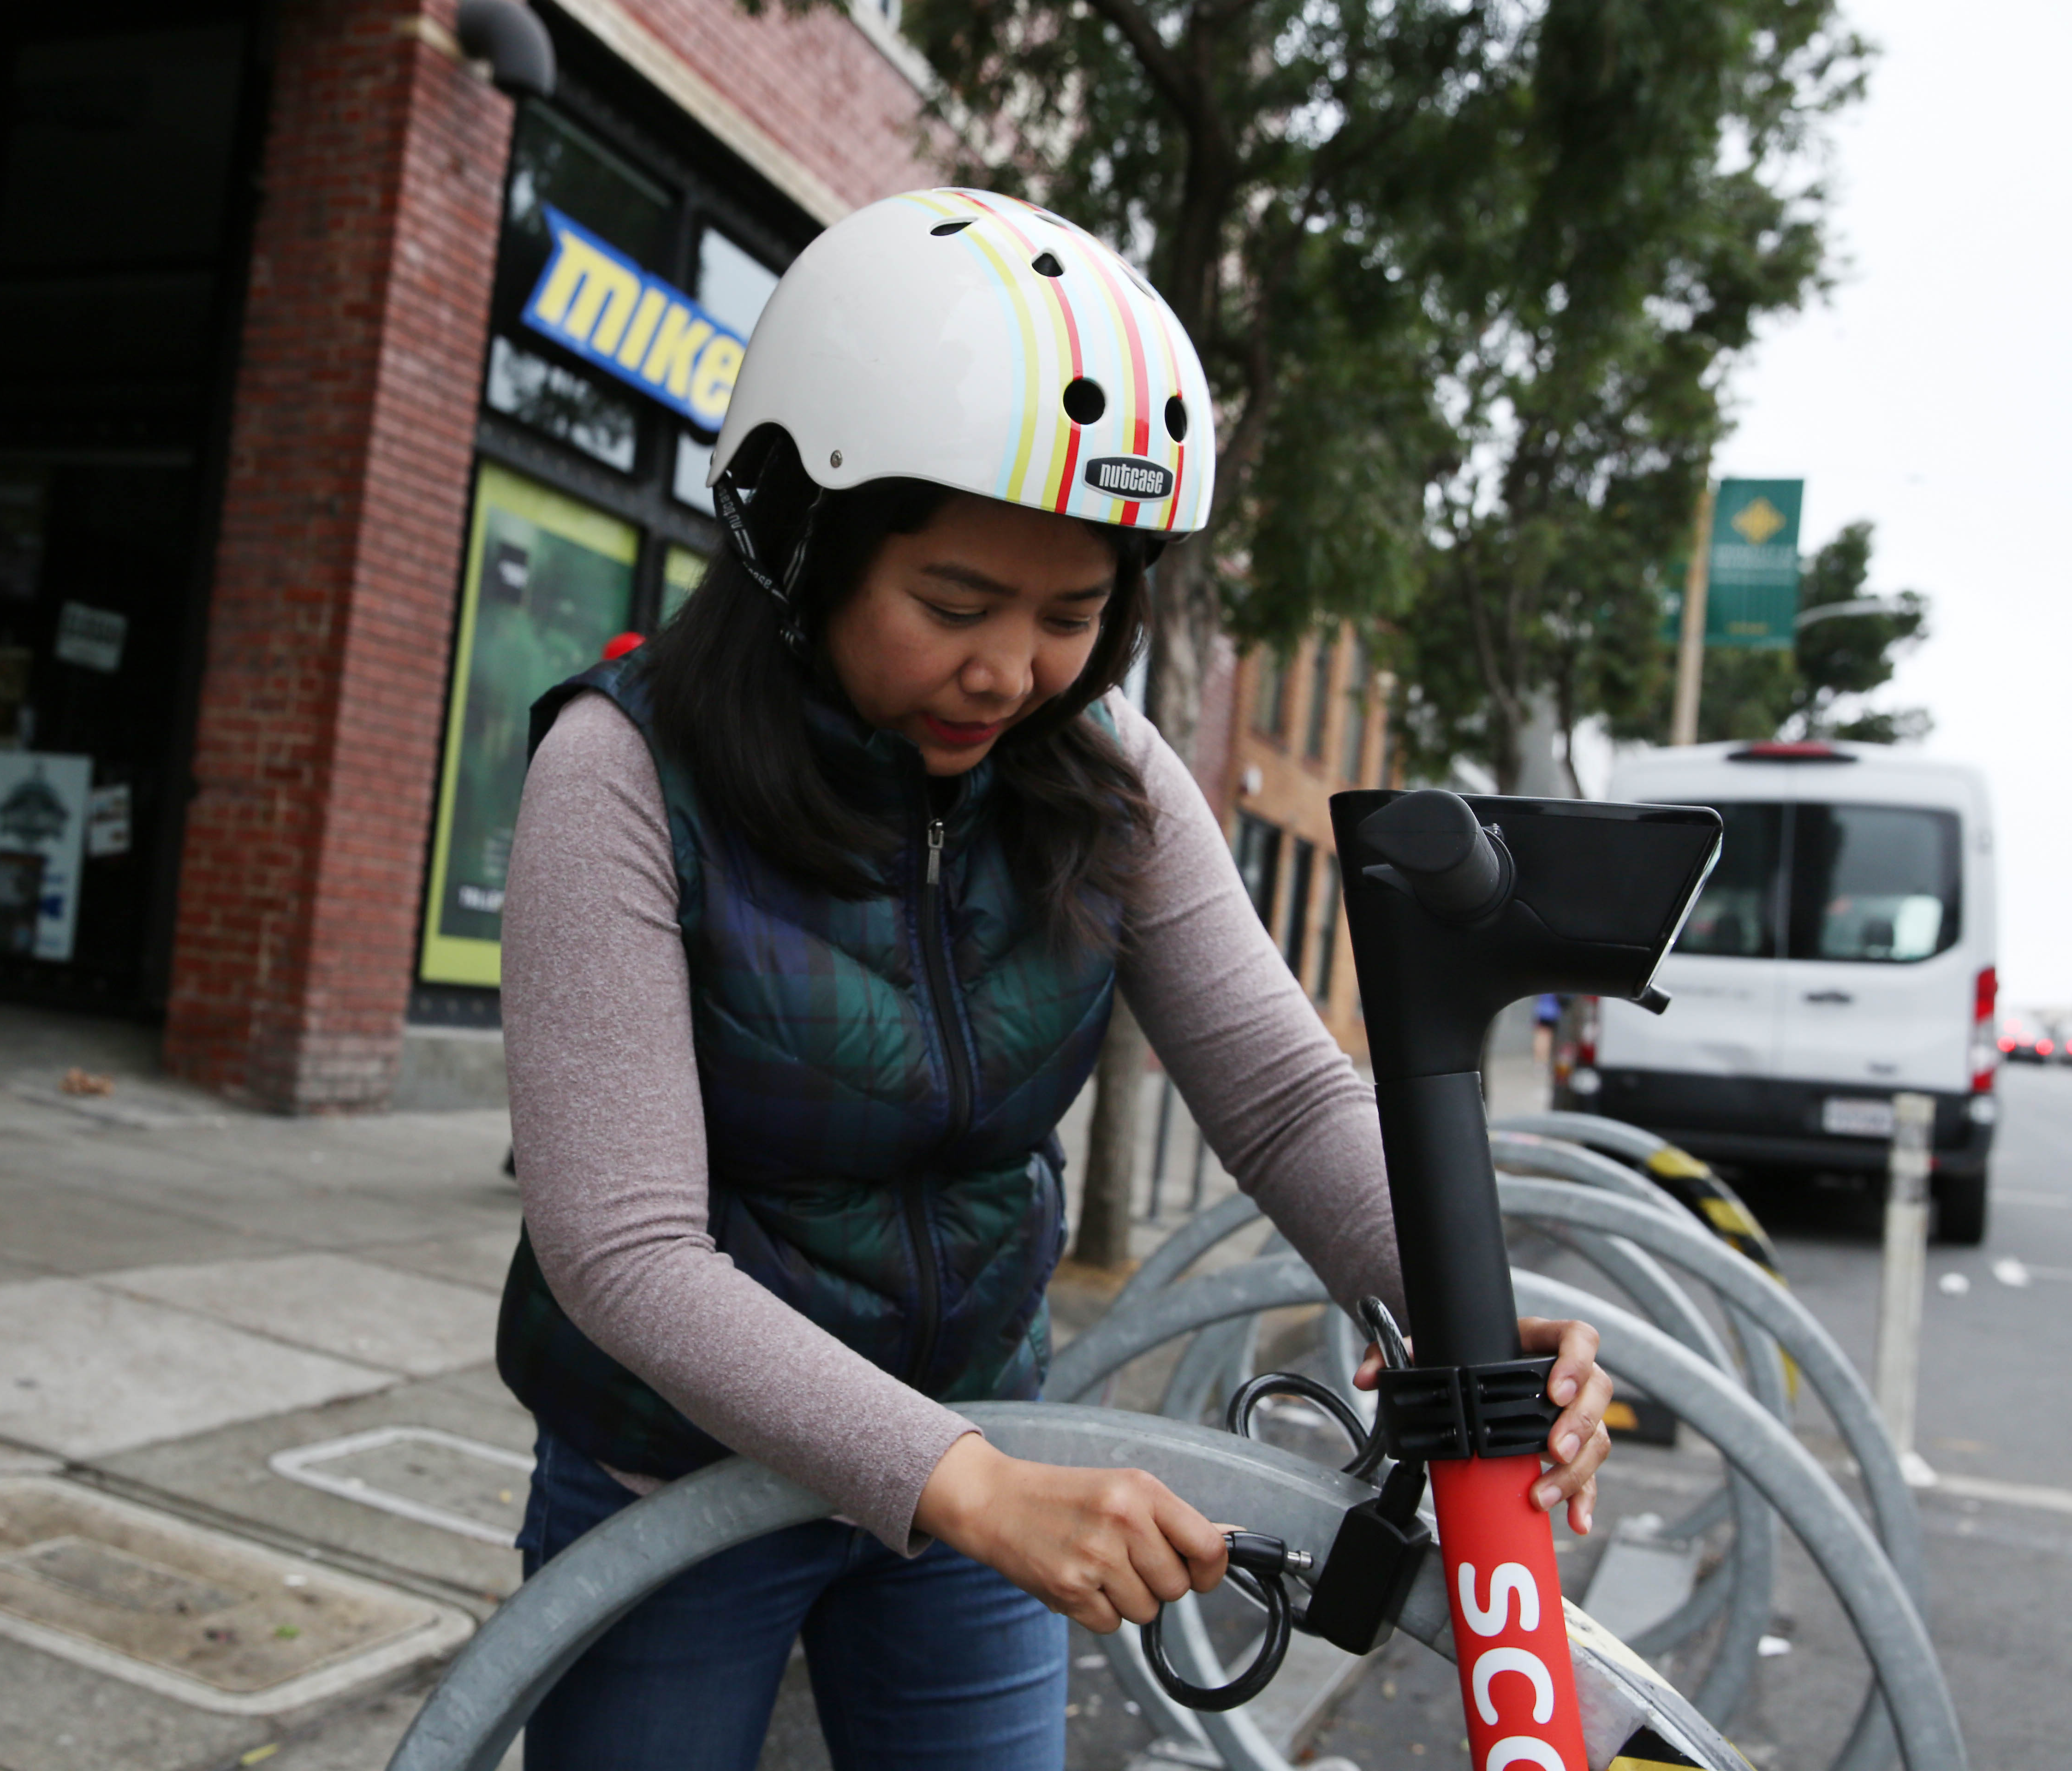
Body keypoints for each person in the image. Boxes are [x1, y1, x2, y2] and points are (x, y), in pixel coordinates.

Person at [495, 189, 1614, 1771]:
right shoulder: (622, 773)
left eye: (1074, 618)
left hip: (987, 1456)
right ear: (791, 543)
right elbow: (624, 1251)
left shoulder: (1104, 772)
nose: (1011, 671)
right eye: (953, 605)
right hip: (674, 1480)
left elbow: (1291, 1099)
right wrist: (968, 1483)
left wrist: (1481, 1311)